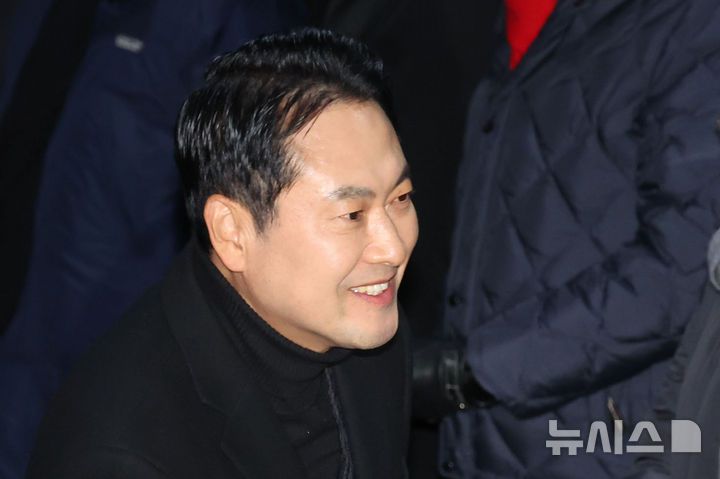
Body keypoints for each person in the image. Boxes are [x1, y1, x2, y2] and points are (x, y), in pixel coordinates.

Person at [25, 27, 418, 479]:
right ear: (232, 233)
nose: (393, 247)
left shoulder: (371, 330)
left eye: (401, 197)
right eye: (351, 214)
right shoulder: (122, 454)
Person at [437, 0, 720, 477]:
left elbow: (685, 269)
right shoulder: (514, 22)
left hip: (609, 443)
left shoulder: (689, 19)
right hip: (486, 437)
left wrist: (472, 372)